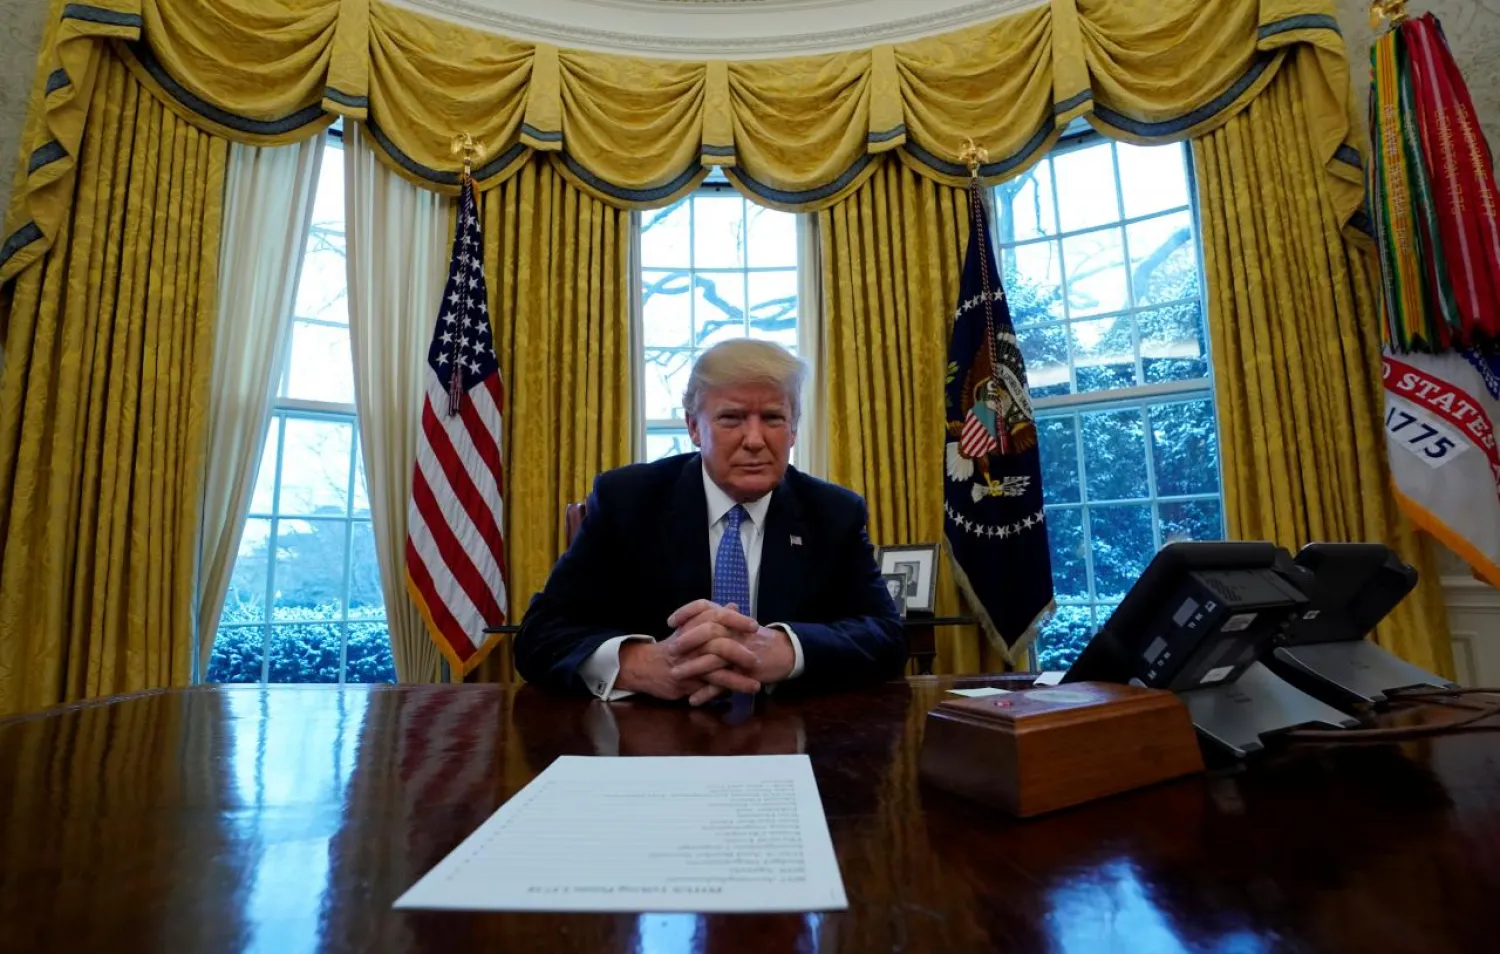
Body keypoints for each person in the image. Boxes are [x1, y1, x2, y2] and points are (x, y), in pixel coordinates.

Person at [514, 339, 905, 703]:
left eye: (773, 418)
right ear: (693, 427)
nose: (755, 440)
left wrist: (790, 650)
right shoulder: (627, 500)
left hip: (789, 730)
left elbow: (887, 635)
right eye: (731, 418)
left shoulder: (833, 513)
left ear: (793, 430)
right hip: (650, 733)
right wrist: (642, 664)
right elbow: (540, 634)